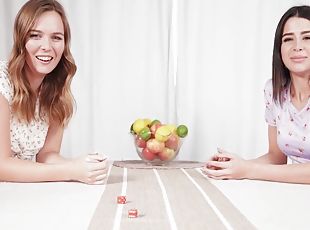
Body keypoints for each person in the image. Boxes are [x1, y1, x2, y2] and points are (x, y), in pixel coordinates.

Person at [0, 0, 107, 184]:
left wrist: (83, 165)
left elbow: (47, 155)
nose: (47, 46)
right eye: (35, 35)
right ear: (21, 40)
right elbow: (1, 167)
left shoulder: (55, 88)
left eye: (56, 37)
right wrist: (71, 171)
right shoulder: (3, 83)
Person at [203, 5, 310, 184]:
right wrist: (235, 166)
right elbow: (276, 158)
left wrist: (249, 170)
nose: (297, 47)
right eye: (288, 39)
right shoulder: (274, 92)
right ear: (279, 48)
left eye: (307, 37)